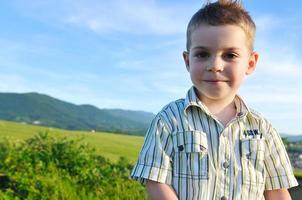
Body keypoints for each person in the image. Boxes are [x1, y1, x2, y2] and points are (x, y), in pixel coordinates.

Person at [130, 0, 299, 199]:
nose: (215, 65)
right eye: (202, 54)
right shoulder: (169, 120)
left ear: (250, 63)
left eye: (230, 55)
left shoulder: (263, 129)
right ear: (187, 61)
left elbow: (277, 191)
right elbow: (155, 181)